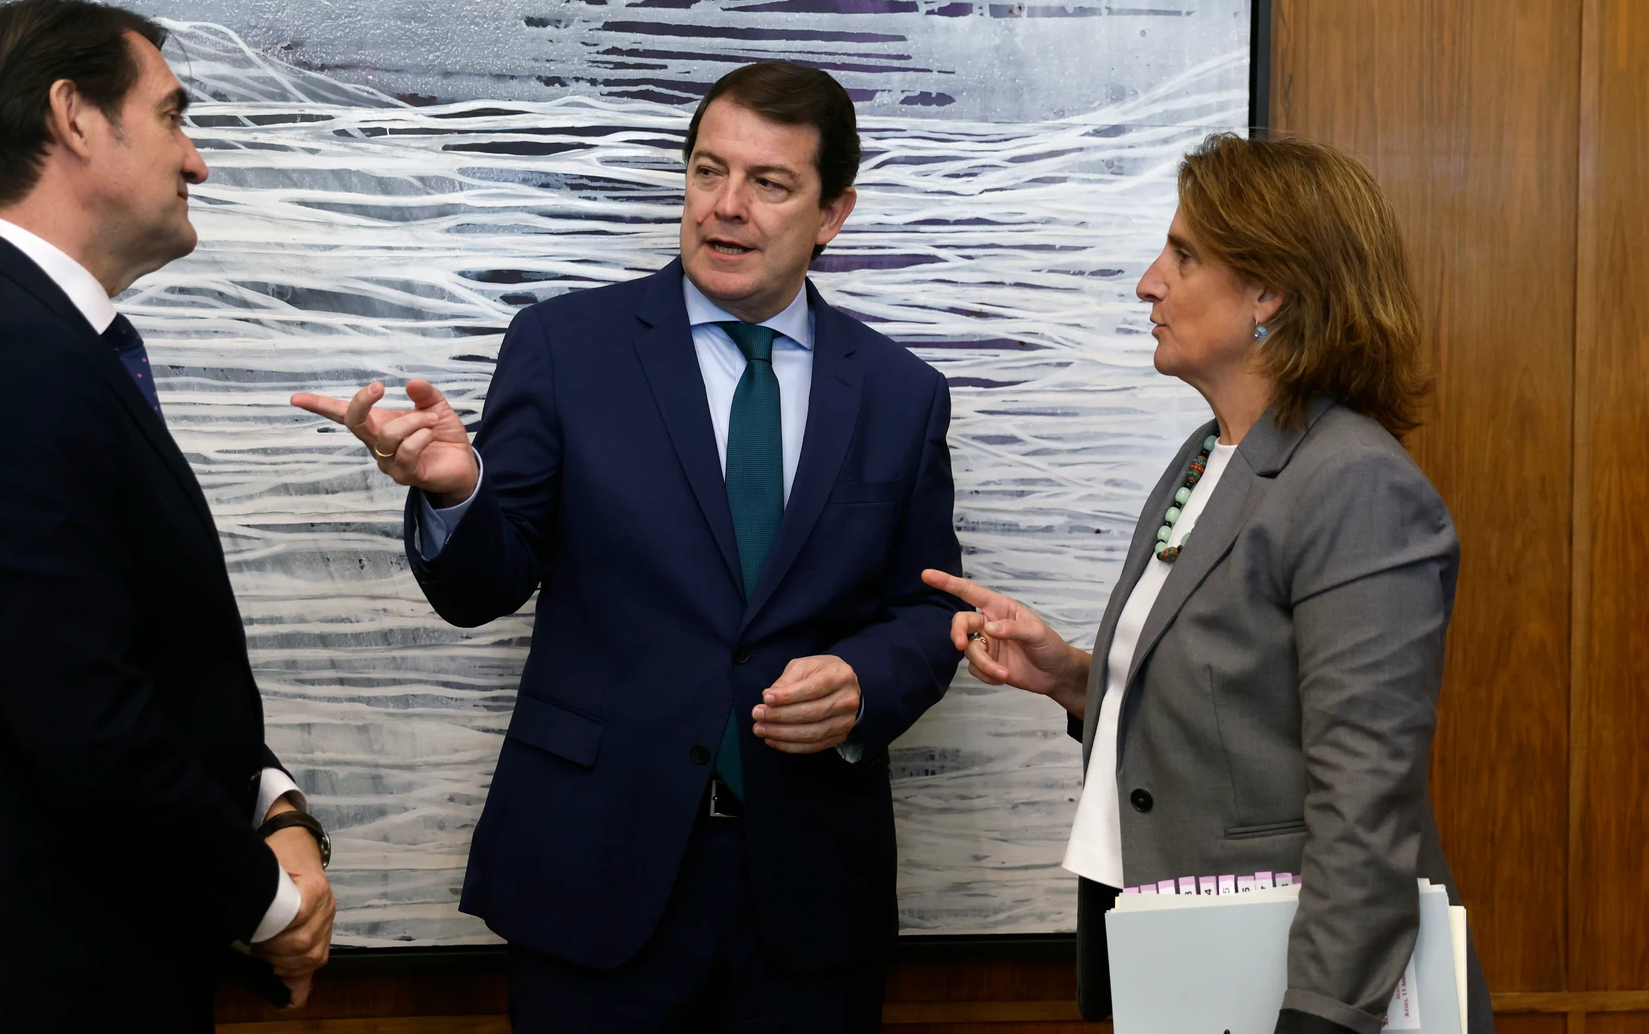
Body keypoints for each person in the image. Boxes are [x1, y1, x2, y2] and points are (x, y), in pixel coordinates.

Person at [294, 61, 965, 1031]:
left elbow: (928, 605)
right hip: (593, 875)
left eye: (768, 184)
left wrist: (865, 680)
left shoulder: (903, 393)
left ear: (832, 213)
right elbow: (487, 582)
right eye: (706, 171)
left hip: (810, 894)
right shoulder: (566, 347)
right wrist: (458, 491)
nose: (726, 207)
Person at [923, 133, 1492, 1034]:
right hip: (1189, 972)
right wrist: (1072, 675)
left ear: (1269, 291)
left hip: (1305, 994)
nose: (1150, 281)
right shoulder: (1204, 459)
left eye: (1183, 255)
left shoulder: (1354, 481)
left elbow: (1364, 799)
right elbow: (1234, 708)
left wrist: (1320, 1015)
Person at [0, 0, 334, 1032]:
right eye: (172, 115)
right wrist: (268, 899)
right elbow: (83, 718)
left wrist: (271, 803)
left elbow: (149, 653)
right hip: (43, 986)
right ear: (73, 116)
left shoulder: (12, 334)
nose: (196, 160)